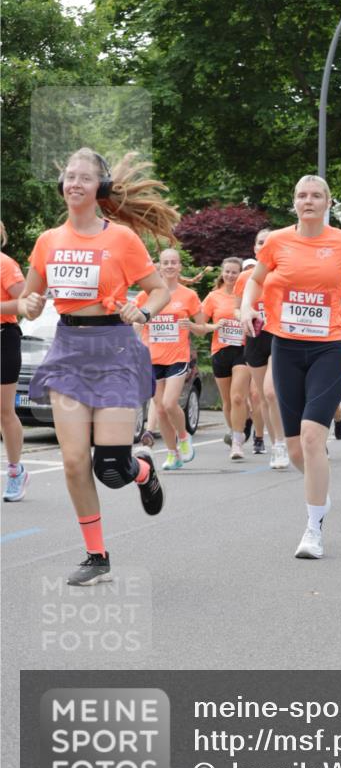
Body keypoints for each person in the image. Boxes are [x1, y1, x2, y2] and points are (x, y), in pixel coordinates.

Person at [18, 148, 177, 585]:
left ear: (99, 188)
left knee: (110, 468)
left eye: (85, 178)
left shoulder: (121, 239)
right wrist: (28, 303)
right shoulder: (48, 240)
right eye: (69, 176)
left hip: (114, 351)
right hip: (68, 351)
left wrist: (143, 313)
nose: (75, 183)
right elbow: (30, 306)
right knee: (73, 462)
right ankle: (96, 554)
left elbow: (157, 289)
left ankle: (141, 470)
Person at [240, 175, 341, 559]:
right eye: (301, 195)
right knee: (296, 450)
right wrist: (246, 307)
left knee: (312, 437)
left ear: (328, 202)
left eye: (316, 195)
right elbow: (254, 282)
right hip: (287, 346)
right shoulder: (277, 241)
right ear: (294, 202)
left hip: (329, 347)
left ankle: (313, 529)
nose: (308, 201)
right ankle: (319, 495)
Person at [135, 248, 203, 469]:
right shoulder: (146, 295)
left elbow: (202, 328)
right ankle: (173, 454)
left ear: (179, 267)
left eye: (174, 262)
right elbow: (134, 322)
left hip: (177, 356)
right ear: (159, 266)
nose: (170, 266)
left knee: (168, 403)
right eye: (166, 263)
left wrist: (191, 325)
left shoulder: (189, 296)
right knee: (161, 410)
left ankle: (183, 438)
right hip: (152, 358)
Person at [234, 232, 289, 470]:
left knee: (271, 392)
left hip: (280, 336)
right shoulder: (246, 277)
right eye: (260, 242)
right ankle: (275, 440)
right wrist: (246, 314)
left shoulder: (285, 274)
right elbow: (236, 309)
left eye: (269, 242)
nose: (264, 246)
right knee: (263, 399)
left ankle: (281, 444)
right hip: (256, 338)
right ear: (254, 248)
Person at [201, 257, 252, 460]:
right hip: (220, 350)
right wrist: (215, 326)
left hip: (243, 349)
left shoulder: (247, 296)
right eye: (227, 272)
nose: (230, 276)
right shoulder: (213, 297)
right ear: (222, 273)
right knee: (227, 401)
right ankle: (235, 432)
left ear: (241, 274)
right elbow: (200, 324)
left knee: (238, 396)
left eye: (234, 272)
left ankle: (237, 443)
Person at [1, 222, 29, 501]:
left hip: (3, 338)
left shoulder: (5, 264)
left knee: (4, 410)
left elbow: (26, 301)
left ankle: (15, 471)